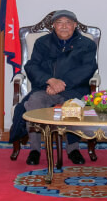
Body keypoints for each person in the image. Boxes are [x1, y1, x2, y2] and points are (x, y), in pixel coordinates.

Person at [8, 10, 98, 166]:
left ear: (75, 25)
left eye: (68, 23)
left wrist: (61, 84)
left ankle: (73, 149)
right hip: (45, 88)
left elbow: (88, 69)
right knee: (33, 102)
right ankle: (35, 150)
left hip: (74, 89)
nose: (64, 26)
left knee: (72, 105)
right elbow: (32, 66)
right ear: (53, 26)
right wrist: (50, 81)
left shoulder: (87, 44)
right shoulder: (42, 42)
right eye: (59, 23)